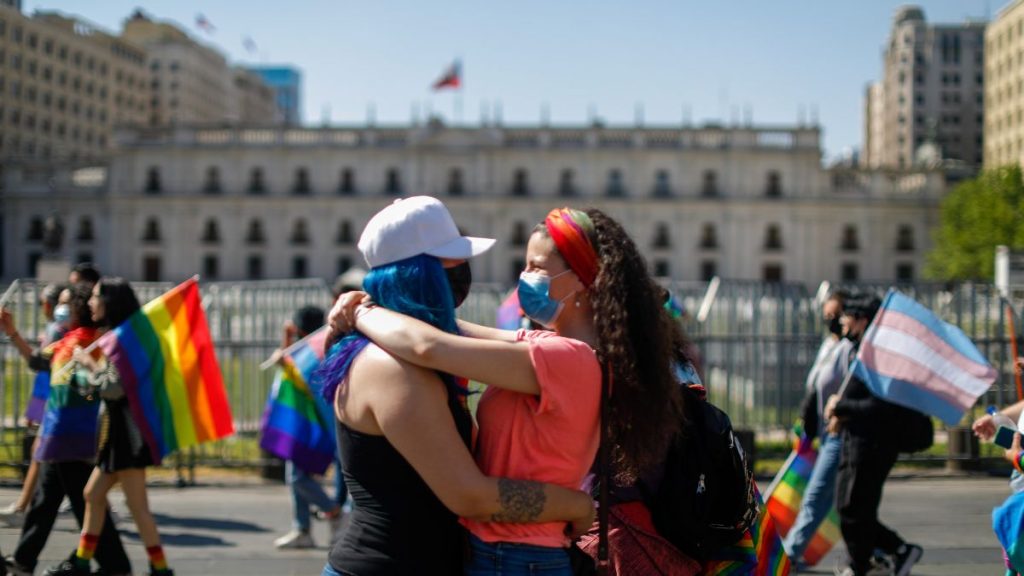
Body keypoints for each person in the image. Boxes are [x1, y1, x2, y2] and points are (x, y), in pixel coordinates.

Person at [333, 205, 686, 574]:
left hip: (517, 556)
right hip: (504, 553)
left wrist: (362, 312)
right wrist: (368, 305)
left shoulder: (566, 358)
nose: (523, 278)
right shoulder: (551, 348)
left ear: (581, 279)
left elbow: (431, 346)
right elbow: (450, 332)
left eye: (535, 267)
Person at [1, 284, 132, 576]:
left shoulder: (97, 341)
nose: (60, 310)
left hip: (76, 438)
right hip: (55, 436)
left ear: (79, 309)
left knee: (86, 502)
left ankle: (116, 565)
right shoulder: (65, 342)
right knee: (45, 502)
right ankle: (23, 562)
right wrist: (12, 332)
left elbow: (99, 384)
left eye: (66, 304)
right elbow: (37, 361)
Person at [46, 278, 174, 576]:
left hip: (125, 436)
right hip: (119, 434)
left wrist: (86, 364)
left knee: (137, 506)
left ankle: (161, 569)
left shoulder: (121, 339)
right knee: (93, 495)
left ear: (109, 303)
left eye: (95, 298)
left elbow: (114, 387)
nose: (90, 303)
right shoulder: (126, 335)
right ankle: (81, 561)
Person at [824, 293, 923, 576]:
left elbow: (881, 406)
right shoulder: (863, 350)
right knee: (848, 507)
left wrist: (841, 406)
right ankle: (892, 552)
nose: (841, 321)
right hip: (856, 440)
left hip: (873, 445)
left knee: (854, 508)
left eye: (847, 316)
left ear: (862, 320)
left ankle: (862, 564)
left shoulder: (879, 355)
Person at [782, 290, 852, 567]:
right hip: (821, 433)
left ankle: (789, 555)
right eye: (827, 316)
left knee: (816, 497)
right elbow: (814, 389)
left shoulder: (850, 350)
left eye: (836, 315)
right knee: (840, 502)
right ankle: (875, 552)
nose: (831, 321)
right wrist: (804, 425)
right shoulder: (828, 346)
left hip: (839, 433)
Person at [273, 305, 345, 550]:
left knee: (297, 478)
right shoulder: (321, 349)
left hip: (313, 427)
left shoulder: (308, 356)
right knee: (296, 476)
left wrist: (286, 341)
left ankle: (334, 513)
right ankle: (302, 529)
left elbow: (288, 369)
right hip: (317, 426)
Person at [0, 283, 70, 526]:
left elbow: (41, 369)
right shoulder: (59, 329)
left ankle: (22, 508)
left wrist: (36, 408)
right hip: (59, 403)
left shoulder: (56, 330)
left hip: (59, 404)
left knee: (42, 453)